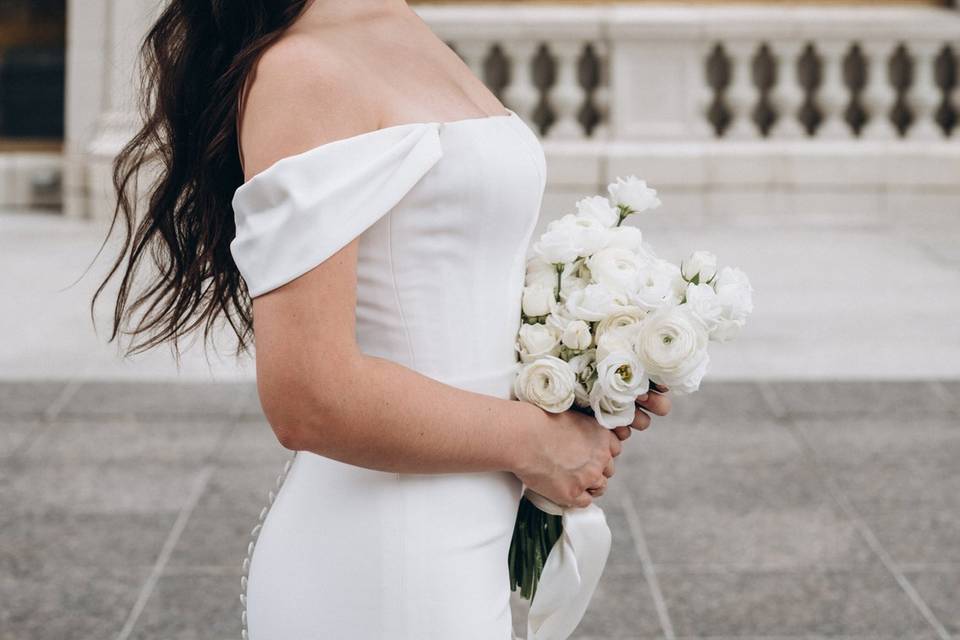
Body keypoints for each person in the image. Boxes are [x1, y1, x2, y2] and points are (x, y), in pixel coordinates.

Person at [94, 0, 673, 637]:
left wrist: (587, 363)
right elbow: (308, 395)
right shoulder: (303, 68)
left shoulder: (399, 24)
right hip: (386, 558)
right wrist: (541, 445)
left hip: (462, 526)